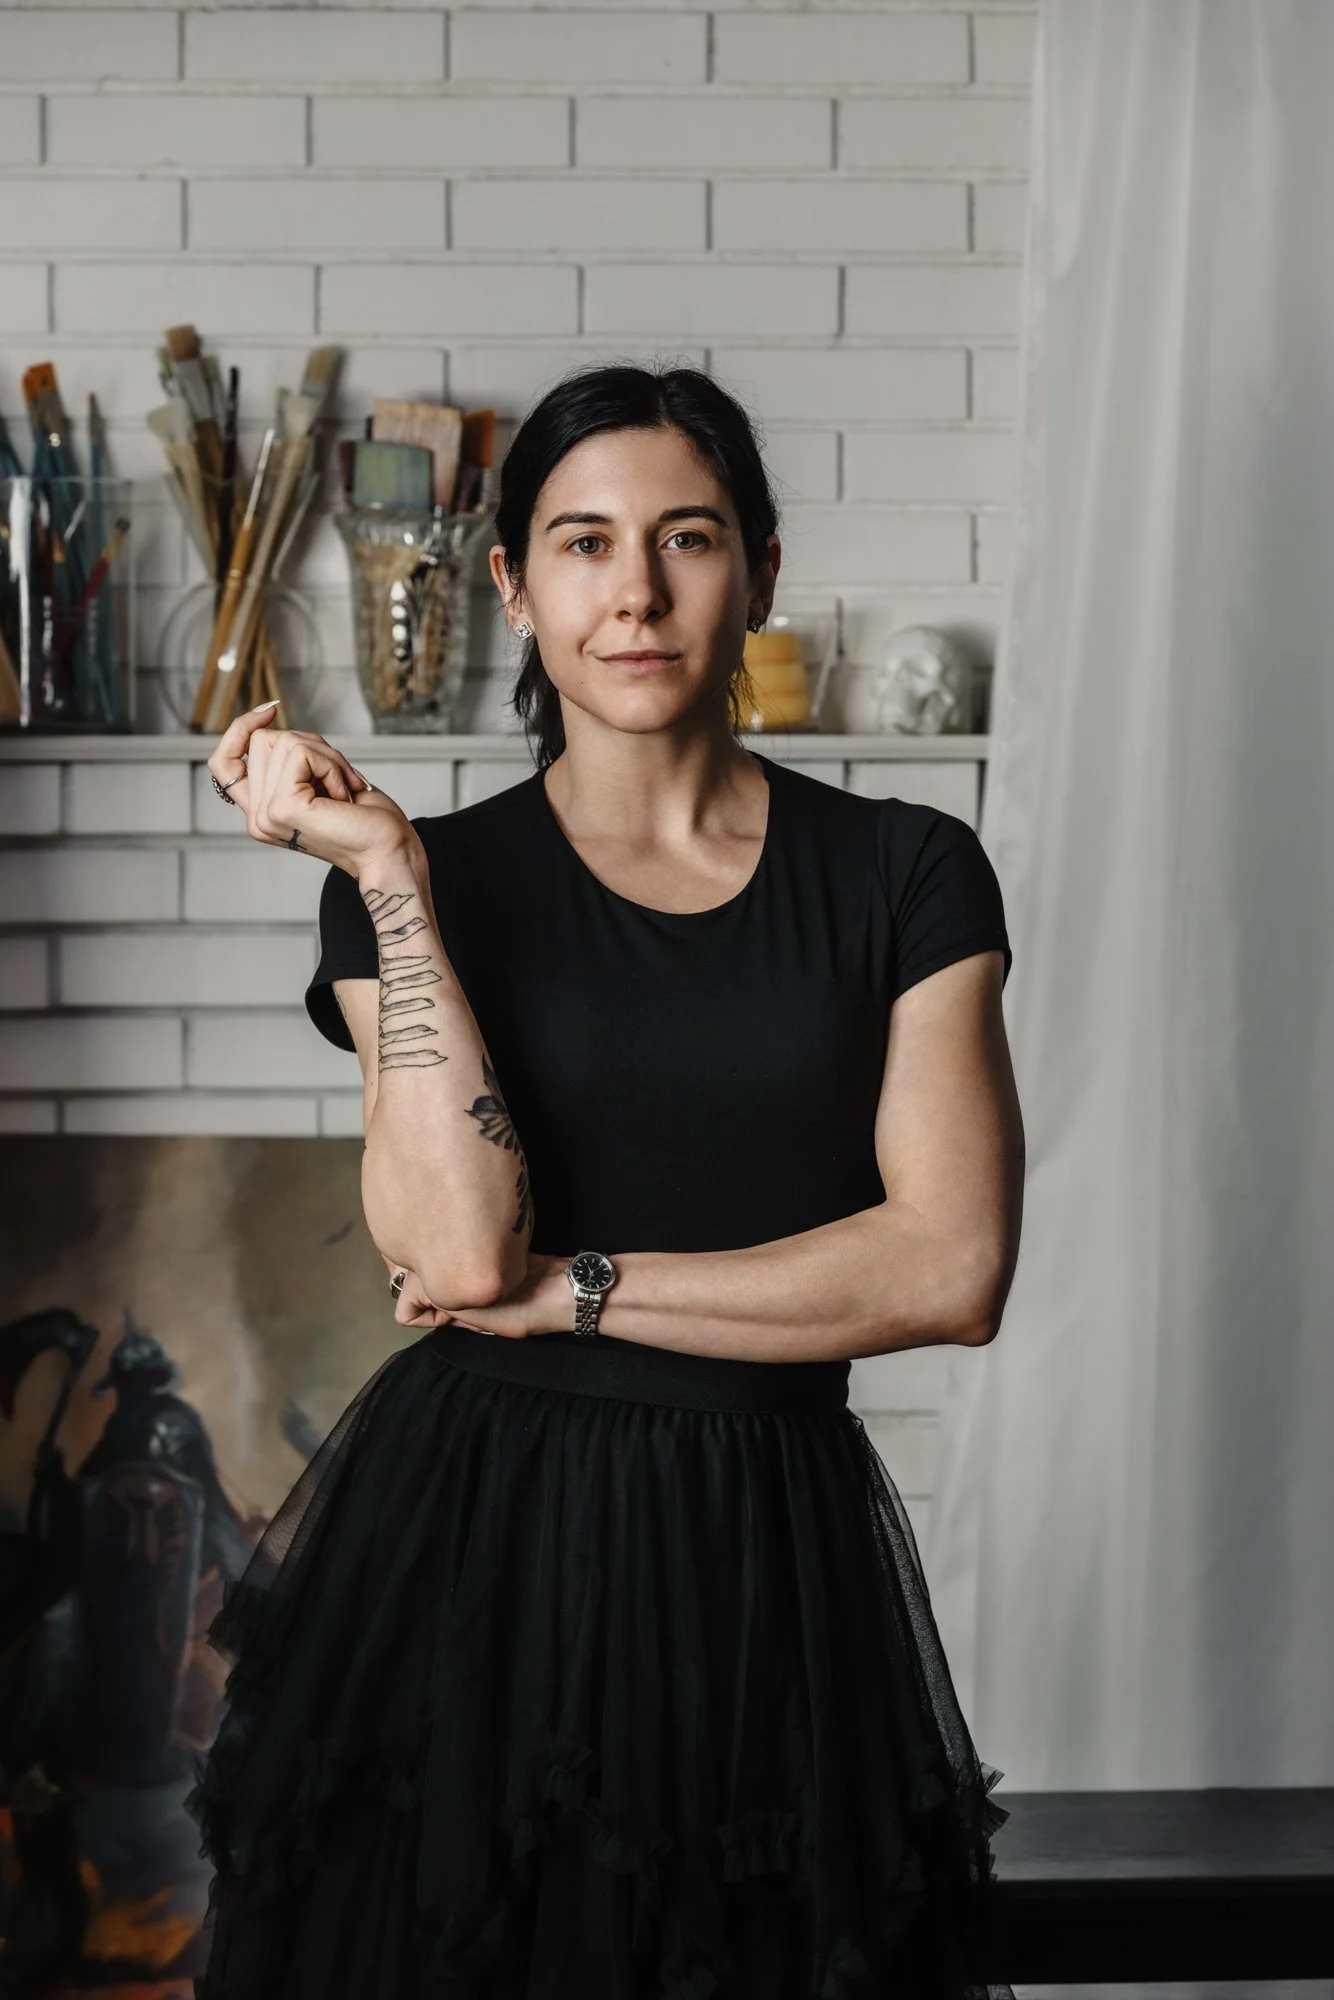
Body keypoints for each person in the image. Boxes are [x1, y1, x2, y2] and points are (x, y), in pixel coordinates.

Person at [188, 362, 1025, 1999]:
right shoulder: (414, 881)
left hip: (767, 1553)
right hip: (474, 1550)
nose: (633, 593)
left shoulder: (905, 873)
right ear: (512, 586)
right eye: (582, 543)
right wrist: (393, 876)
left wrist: (581, 1291)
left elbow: (950, 1268)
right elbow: (454, 1249)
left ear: (759, 572)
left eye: (686, 538)